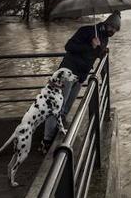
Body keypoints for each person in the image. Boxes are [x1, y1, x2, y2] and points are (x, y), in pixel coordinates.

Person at [40, 11, 121, 152]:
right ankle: (46, 142)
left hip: (80, 77)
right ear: (107, 24)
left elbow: (97, 55)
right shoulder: (86, 31)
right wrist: (90, 46)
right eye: (112, 27)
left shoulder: (104, 37)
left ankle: (55, 137)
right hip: (67, 73)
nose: (113, 31)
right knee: (57, 107)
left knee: (65, 108)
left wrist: (102, 52)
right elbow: (69, 47)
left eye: (116, 29)